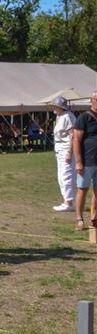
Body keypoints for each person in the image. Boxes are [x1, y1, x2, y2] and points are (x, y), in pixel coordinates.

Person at [72, 90, 97, 230]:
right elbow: (76, 139)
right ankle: (79, 219)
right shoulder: (84, 117)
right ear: (91, 100)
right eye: (96, 99)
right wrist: (78, 161)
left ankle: (94, 218)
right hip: (87, 161)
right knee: (82, 189)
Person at [51, 96, 76, 212]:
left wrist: (69, 152)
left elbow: (72, 135)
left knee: (67, 175)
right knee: (61, 176)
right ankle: (66, 200)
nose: (53, 108)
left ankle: (68, 203)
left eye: (55, 106)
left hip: (66, 149)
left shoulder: (68, 116)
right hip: (60, 149)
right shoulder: (59, 116)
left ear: (61, 107)